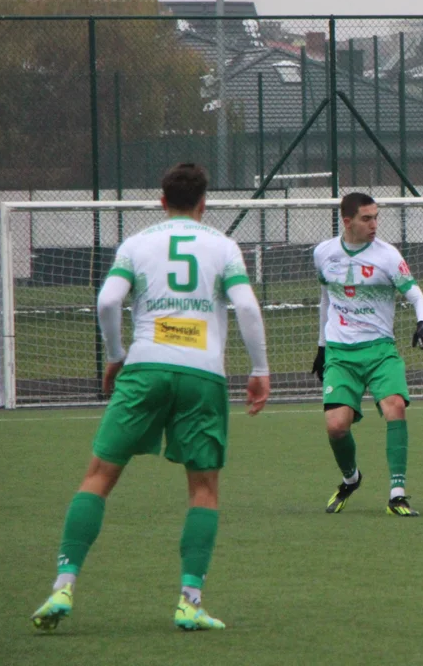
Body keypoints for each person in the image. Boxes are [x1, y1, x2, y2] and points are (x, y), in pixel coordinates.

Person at [30, 163, 271, 632]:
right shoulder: (223, 246)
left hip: (144, 367)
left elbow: (107, 301)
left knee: (99, 476)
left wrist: (115, 355)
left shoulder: (136, 244)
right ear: (204, 203)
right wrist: (259, 369)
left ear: (162, 201)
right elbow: (245, 305)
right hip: (202, 374)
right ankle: (190, 601)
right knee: (203, 488)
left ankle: (63, 585)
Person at [311, 192, 423, 517]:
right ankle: (351, 479)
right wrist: (322, 347)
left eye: (376, 217)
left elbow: (417, 296)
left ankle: (397, 494)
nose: (374, 224)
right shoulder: (323, 253)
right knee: (336, 427)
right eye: (366, 218)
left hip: (380, 350)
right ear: (347, 221)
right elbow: (326, 300)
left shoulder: (388, 256)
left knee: (395, 408)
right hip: (340, 353)